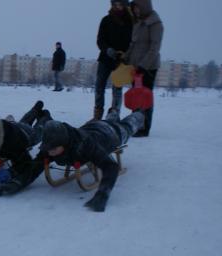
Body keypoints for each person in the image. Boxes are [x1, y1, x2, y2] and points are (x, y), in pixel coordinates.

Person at [20, 107, 145, 212]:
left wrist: (102, 194)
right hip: (93, 126)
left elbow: (111, 167)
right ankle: (113, 112)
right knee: (109, 120)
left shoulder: (85, 146)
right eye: (47, 148)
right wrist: (17, 183)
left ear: (63, 144)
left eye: (53, 148)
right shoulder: (52, 144)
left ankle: (139, 114)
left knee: (128, 125)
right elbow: (35, 166)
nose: (49, 152)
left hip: (111, 134)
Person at [123, 0, 163, 136]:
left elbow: (154, 48)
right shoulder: (138, 23)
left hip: (149, 67)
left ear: (145, 7)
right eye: (134, 8)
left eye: (138, 8)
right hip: (136, 67)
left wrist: (143, 66)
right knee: (135, 97)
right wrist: (125, 58)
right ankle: (136, 124)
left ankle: (144, 128)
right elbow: (133, 45)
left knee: (144, 97)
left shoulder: (156, 24)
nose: (135, 11)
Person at [91, 0, 133, 121]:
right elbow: (100, 40)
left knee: (117, 88)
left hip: (121, 61)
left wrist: (128, 54)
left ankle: (114, 115)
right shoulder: (106, 20)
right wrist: (107, 49)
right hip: (105, 58)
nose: (118, 6)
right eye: (115, 4)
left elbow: (133, 41)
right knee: (99, 85)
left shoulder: (130, 21)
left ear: (124, 5)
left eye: (120, 4)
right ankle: (97, 116)